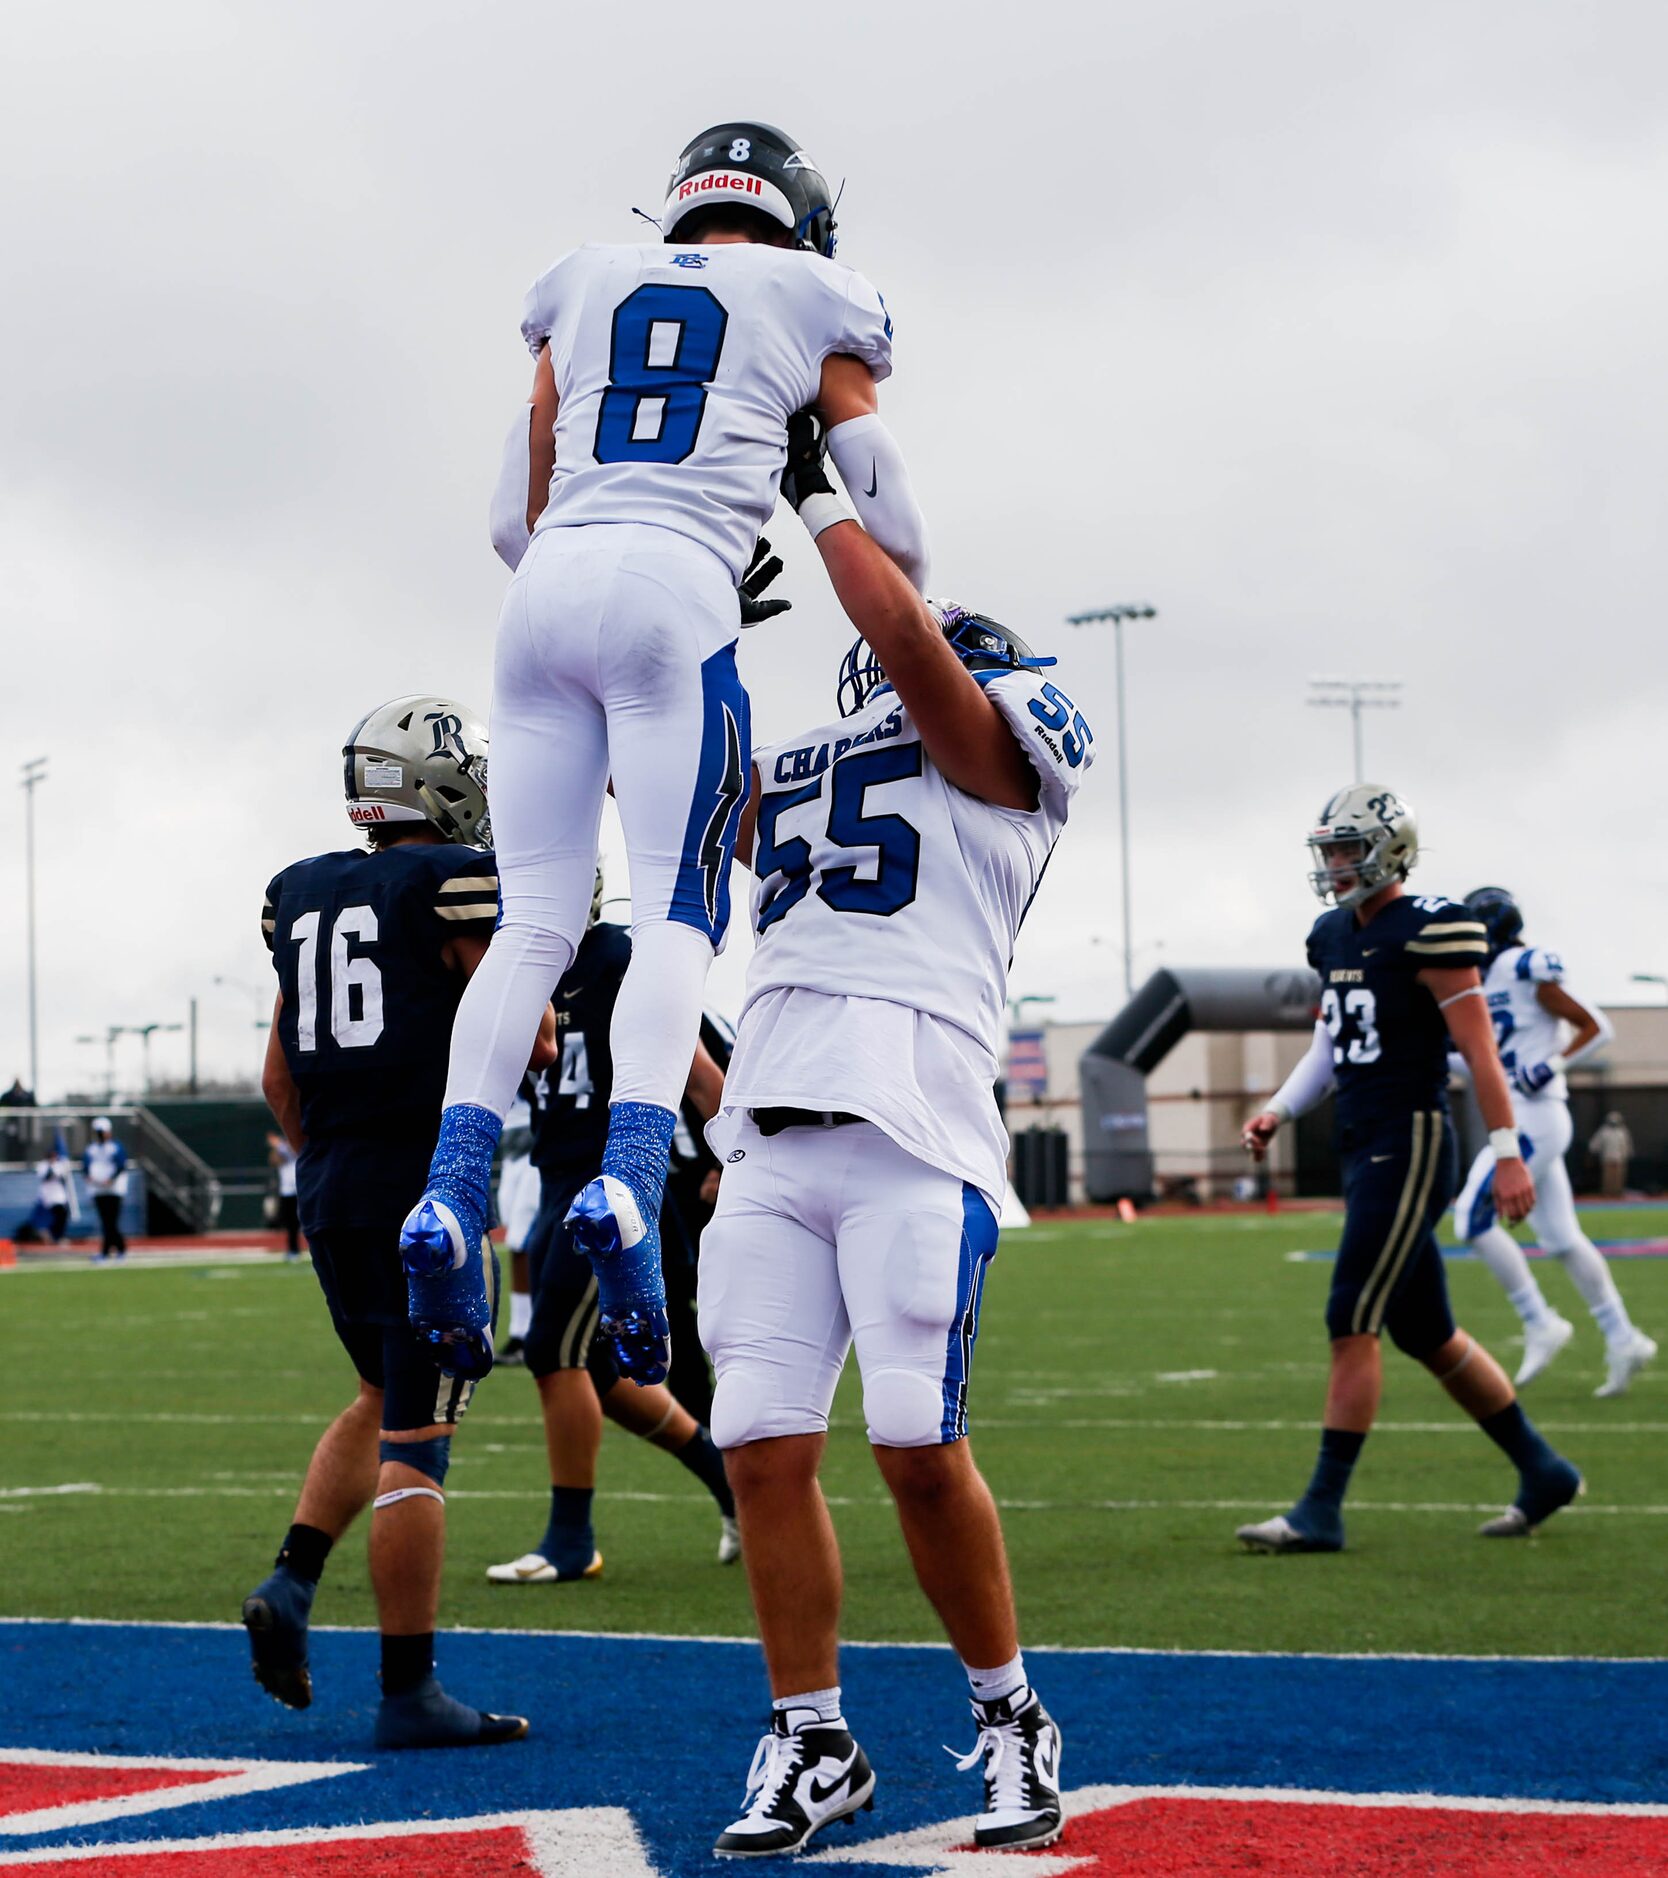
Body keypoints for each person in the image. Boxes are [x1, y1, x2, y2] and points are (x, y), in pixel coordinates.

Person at [400, 121, 929, 1403]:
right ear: (795, 217)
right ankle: (632, 1185)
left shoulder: (578, 277)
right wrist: (893, 574)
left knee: (534, 918)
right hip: (678, 585)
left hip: (547, 590)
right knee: (681, 908)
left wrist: (599, 577)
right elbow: (882, 493)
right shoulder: (812, 291)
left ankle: (449, 1193)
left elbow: (505, 520)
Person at [697, 435, 1085, 1858]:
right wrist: (700, 640)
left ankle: (1009, 1716)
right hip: (774, 1130)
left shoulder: (1002, 752)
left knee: (919, 1439)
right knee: (754, 1440)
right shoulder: (812, 759)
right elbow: (687, 789)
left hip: (915, 1127)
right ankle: (812, 1738)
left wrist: (818, 496)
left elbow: (916, 654)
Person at [242, 694, 553, 1749]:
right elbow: (538, 1043)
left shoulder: (302, 892)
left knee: (379, 1389)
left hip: (331, 1181)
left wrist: (336, 1153)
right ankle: (409, 1690)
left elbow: (278, 1078)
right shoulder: (454, 882)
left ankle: (292, 1580)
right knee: (420, 1436)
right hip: (431, 1187)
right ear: (431, 778)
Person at [1238, 789, 1582, 1556]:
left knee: (1350, 1312)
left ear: (1389, 848)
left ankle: (1320, 1509)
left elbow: (1481, 1055)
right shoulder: (1332, 934)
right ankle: (1544, 1468)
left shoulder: (1433, 926)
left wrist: (1507, 1154)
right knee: (1424, 1328)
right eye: (1327, 851)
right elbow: (1331, 1045)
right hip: (1362, 1142)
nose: (1334, 866)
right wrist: (1279, 1110)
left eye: (1346, 849)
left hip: (1413, 1138)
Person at [486, 891, 738, 1585]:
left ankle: (572, 1539)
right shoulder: (520, 965)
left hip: (613, 1185)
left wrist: (728, 1162)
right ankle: (729, 1479)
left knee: (549, 1350)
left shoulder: (620, 960)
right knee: (592, 1368)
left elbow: (700, 1077)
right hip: (554, 1177)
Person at [1452, 889, 1655, 1397]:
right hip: (1525, 1116)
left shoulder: (1522, 966)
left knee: (1470, 1221)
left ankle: (1539, 1319)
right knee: (1562, 1239)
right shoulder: (1479, 979)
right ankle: (1623, 1337)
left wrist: (1554, 1063)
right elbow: (1482, 1061)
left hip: (1534, 1117)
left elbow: (1596, 1026)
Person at [84, 1119, 129, 1260]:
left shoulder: (115, 1147)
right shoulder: (91, 1149)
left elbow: (121, 1165)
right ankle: (115, 1250)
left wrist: (111, 1179)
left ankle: (110, 1251)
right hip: (98, 1189)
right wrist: (90, 1178)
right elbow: (85, 1167)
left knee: (111, 1221)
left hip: (114, 1189)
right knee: (106, 1221)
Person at [268, 1132, 302, 1257]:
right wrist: (276, 1147)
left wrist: (280, 1144)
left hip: (300, 1189)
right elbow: (274, 1161)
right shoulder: (280, 1150)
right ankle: (293, 1249)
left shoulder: (295, 1146)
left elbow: (294, 1150)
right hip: (287, 1191)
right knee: (290, 1222)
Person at [1589, 1110, 1635, 1200]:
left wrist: (1627, 1154)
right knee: (1608, 1178)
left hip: (1619, 1159)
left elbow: (1627, 1144)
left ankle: (1617, 1194)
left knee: (1618, 1178)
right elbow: (1594, 1145)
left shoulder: (1623, 1132)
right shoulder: (1603, 1131)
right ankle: (1607, 1194)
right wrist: (1595, 1152)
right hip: (1607, 1158)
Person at [35, 1145, 73, 1243]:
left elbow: (63, 1179)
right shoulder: (43, 1165)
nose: (53, 1157)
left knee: (63, 1214)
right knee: (56, 1214)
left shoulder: (59, 1164)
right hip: (48, 1195)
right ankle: (54, 1235)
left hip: (59, 1194)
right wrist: (51, 1168)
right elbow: (45, 1177)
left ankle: (57, 1235)